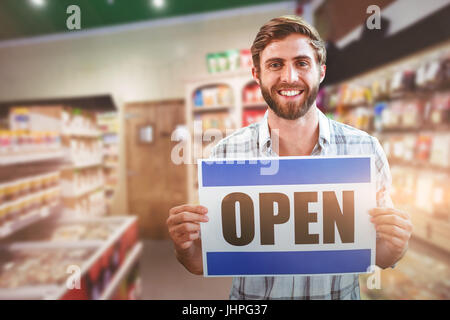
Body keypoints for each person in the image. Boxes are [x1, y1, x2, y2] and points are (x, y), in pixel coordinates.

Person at [167, 15, 413, 300]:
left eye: (302, 63)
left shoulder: (366, 150)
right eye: (275, 64)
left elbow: (381, 255)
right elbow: (200, 263)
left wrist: (397, 244)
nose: (290, 77)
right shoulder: (225, 154)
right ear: (257, 74)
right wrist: (184, 246)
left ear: (321, 71)